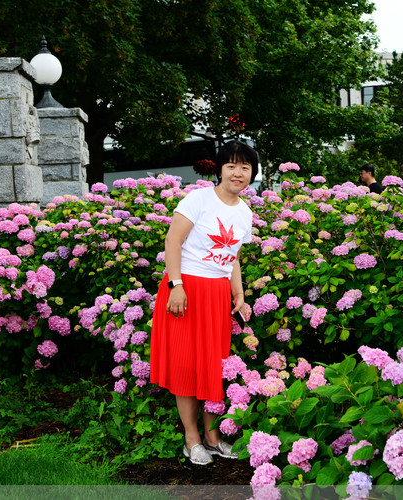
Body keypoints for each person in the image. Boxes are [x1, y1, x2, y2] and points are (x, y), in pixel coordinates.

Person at [149, 140, 257, 465]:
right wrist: (176, 284)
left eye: (245, 167)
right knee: (186, 366)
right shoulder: (199, 199)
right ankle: (191, 439)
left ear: (252, 173)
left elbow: (233, 257)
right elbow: (173, 240)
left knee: (212, 367)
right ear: (220, 168)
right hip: (185, 290)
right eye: (231, 166)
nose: (238, 173)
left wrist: (238, 292)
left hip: (216, 296)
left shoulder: (245, 213)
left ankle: (213, 437)